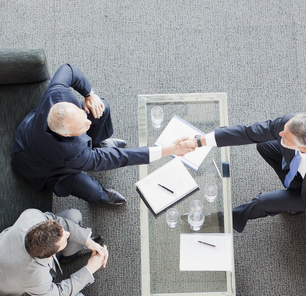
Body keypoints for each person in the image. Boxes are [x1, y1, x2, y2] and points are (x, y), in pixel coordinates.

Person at [180, 113, 306, 262]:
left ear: (303, 147)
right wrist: (199, 141)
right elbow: (249, 133)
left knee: (262, 202)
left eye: (286, 136)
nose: (280, 133)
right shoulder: (290, 124)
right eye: (284, 129)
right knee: (264, 145)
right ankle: (293, 192)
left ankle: (217, 221)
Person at [11, 63, 193, 205]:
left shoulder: (56, 94)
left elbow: (69, 69)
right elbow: (119, 158)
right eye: (82, 126)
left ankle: (97, 144)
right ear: (68, 135)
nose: (88, 122)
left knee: (100, 108)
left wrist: (90, 94)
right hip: (43, 168)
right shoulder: (73, 154)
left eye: (82, 115)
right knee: (90, 189)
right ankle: (102, 196)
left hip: (35, 132)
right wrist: (168, 150)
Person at [0, 208, 111, 296]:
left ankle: (71, 254)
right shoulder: (34, 277)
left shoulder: (32, 216)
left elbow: (57, 221)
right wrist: (90, 269)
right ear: (51, 255)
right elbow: (57, 295)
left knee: (73, 215)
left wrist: (87, 241)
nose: (68, 234)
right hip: (17, 289)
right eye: (64, 240)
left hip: (5, 254)